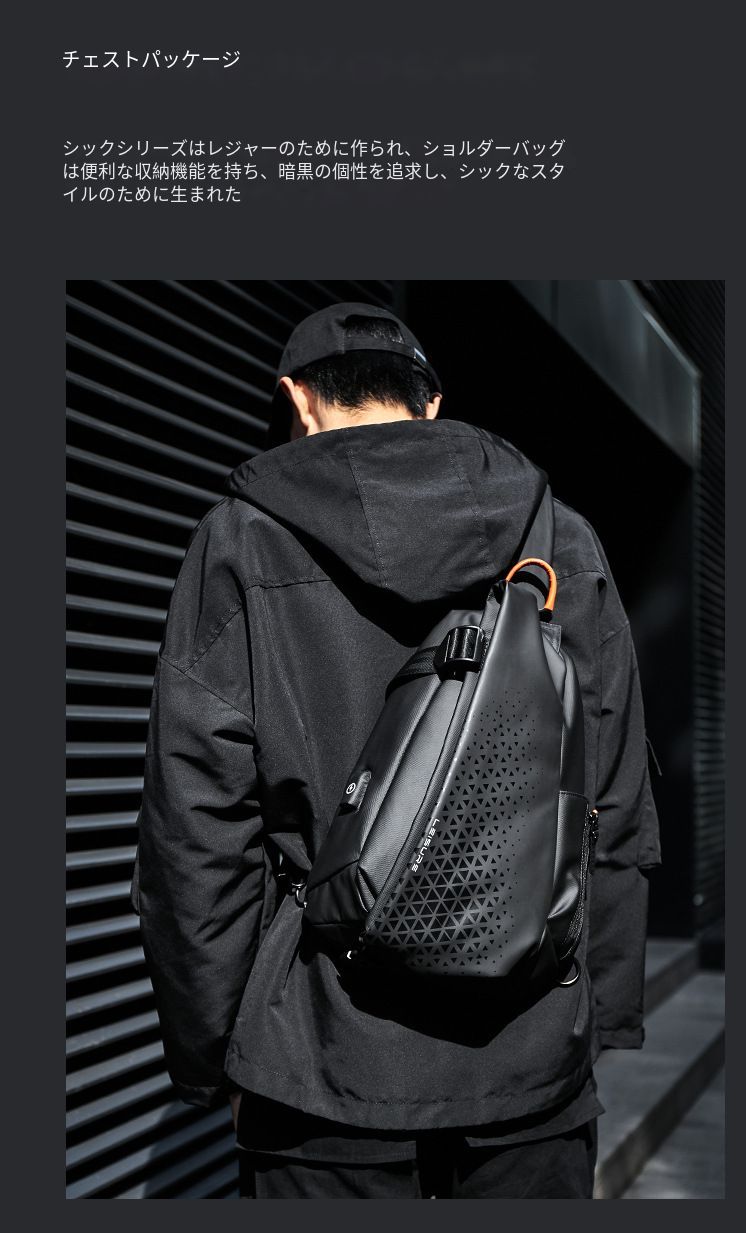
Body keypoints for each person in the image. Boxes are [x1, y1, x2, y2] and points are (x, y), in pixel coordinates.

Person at [133, 302, 661, 1199]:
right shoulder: (561, 539)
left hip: (323, 1056)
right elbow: (613, 797)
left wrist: (213, 1052)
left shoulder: (242, 540)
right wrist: (598, 1015)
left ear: (298, 400)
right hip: (531, 1054)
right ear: (431, 402)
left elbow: (195, 830)